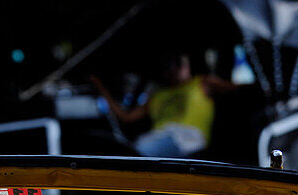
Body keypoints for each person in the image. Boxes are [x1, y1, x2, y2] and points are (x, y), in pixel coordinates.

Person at [91, 53, 239, 158]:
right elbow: (126, 117)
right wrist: (101, 88)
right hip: (156, 138)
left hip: (186, 138)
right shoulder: (158, 95)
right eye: (169, 64)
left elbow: (238, 88)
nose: (174, 69)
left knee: (136, 156)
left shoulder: (202, 83)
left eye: (178, 63)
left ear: (187, 65)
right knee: (127, 152)